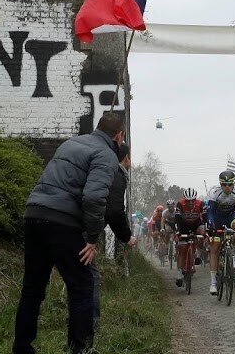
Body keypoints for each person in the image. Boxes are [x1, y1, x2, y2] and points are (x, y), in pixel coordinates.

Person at [12, 112, 124, 354]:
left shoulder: (71, 143)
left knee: (32, 287)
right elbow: (94, 198)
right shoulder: (106, 155)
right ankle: (80, 349)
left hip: (33, 213)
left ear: (98, 128)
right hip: (62, 221)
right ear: (119, 136)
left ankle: (22, 348)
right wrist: (92, 239)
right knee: (82, 285)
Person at [93, 142, 137, 331]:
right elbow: (114, 211)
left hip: (83, 225)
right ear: (126, 158)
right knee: (89, 280)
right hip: (86, 229)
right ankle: (88, 333)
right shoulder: (117, 175)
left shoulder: (102, 170)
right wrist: (127, 237)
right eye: (130, 159)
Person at [205, 171, 235, 295]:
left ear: (233, 184)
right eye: (224, 185)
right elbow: (210, 212)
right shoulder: (214, 192)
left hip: (231, 216)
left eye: (229, 184)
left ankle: (233, 251)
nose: (227, 187)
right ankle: (213, 282)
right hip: (217, 218)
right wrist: (211, 224)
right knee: (214, 248)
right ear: (220, 184)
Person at [174, 188, 206, 287]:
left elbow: (205, 218)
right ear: (185, 200)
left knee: (202, 232)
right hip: (184, 225)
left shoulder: (201, 204)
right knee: (182, 249)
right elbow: (177, 219)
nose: (191, 203)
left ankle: (198, 254)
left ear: (195, 199)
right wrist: (178, 232)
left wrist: (206, 231)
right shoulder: (180, 204)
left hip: (196, 224)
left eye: (193, 200)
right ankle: (179, 274)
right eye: (188, 201)